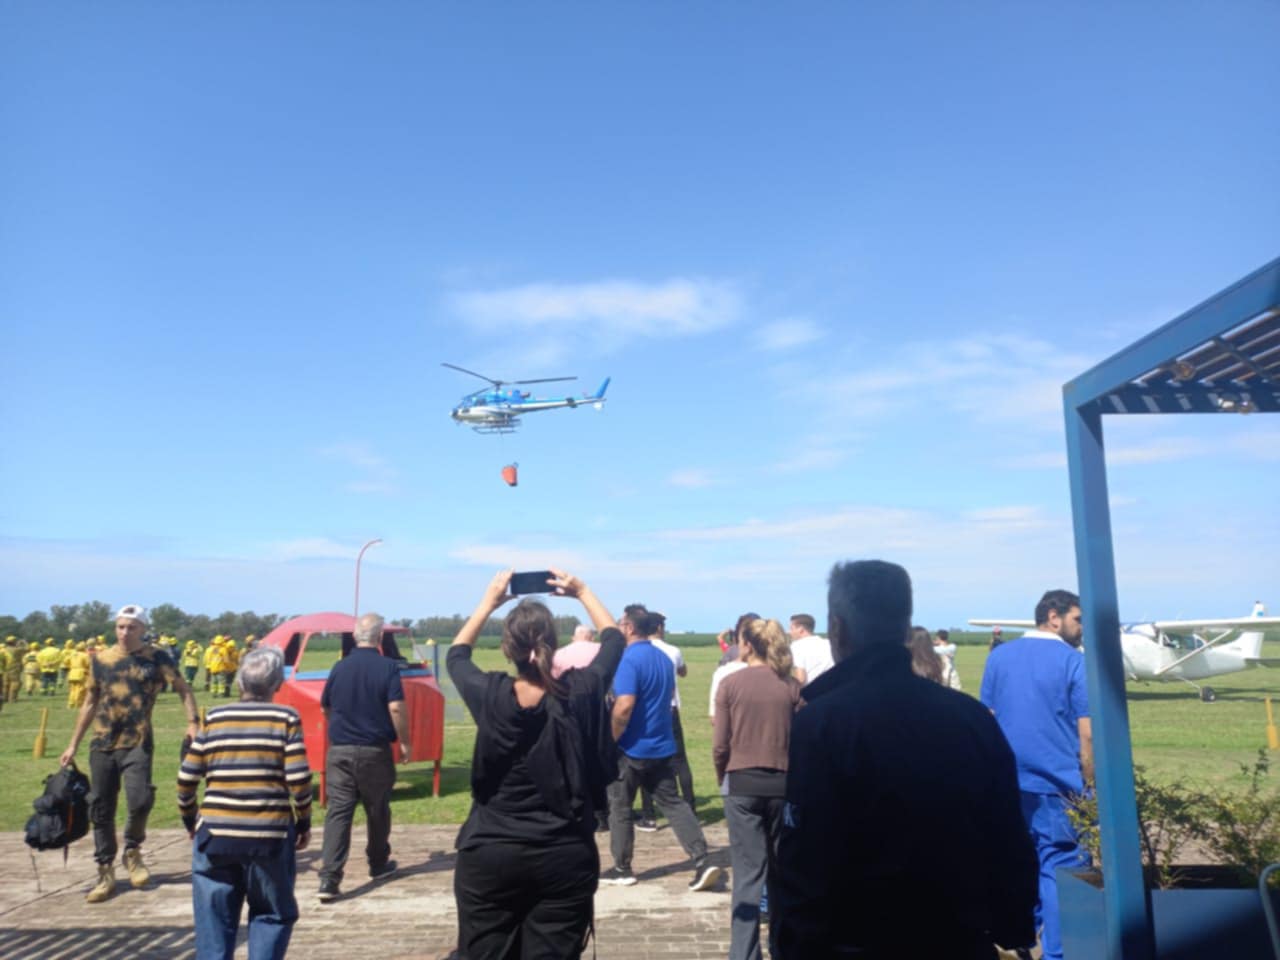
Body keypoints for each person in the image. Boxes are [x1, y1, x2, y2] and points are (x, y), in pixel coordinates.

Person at [774, 560, 1037, 958]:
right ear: (905, 626)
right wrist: (1013, 922)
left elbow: (807, 856)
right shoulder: (970, 718)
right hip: (958, 939)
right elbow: (1007, 832)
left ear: (837, 628)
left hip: (856, 941)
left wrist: (794, 943)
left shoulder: (823, 722)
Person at [448, 568, 621, 960]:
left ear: (506, 648)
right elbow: (614, 640)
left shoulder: (488, 694)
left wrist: (489, 603)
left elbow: (457, 655)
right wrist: (582, 591)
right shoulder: (580, 692)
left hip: (490, 852)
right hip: (564, 853)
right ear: (554, 645)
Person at [178, 646, 313, 960]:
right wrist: (303, 821)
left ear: (239, 681)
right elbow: (298, 779)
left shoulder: (215, 717)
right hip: (269, 835)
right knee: (271, 914)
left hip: (215, 834)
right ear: (277, 684)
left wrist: (190, 819)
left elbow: (186, 778)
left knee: (213, 922)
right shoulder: (285, 718)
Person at [60, 604, 201, 903]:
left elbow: (183, 688)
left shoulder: (156, 657)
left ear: (142, 629)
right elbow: (89, 701)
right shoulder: (101, 659)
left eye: (131, 627)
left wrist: (193, 723)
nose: (125, 632)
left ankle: (133, 850)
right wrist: (72, 744)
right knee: (101, 807)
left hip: (138, 741)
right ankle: (105, 869)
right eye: (121, 627)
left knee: (139, 800)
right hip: (102, 743)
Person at [980, 589, 1092, 960]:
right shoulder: (1074, 662)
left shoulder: (1000, 657)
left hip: (1008, 782)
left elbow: (988, 718)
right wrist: (1090, 779)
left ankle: (1021, 940)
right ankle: (1058, 952)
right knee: (1062, 867)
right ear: (1054, 617)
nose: (1082, 627)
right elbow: (1088, 732)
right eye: (1078, 619)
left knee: (1019, 863)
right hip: (1060, 785)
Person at [602, 605, 722, 891]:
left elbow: (624, 706)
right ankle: (701, 858)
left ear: (630, 627)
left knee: (620, 806)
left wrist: (610, 739)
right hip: (661, 744)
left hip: (631, 747)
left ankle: (622, 867)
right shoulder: (664, 658)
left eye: (621, 624)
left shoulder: (628, 659)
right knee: (674, 804)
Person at [714, 618, 802, 960]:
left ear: (747, 644)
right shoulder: (791, 686)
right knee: (781, 872)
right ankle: (783, 946)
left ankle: (744, 953)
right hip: (783, 783)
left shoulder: (730, 683)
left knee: (748, 874)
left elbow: (720, 744)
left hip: (741, 782)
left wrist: (723, 774)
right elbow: (803, 739)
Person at [316, 612, 409, 902]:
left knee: (338, 813)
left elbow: (325, 706)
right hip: (374, 750)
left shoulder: (339, 666)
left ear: (356, 637)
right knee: (377, 808)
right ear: (380, 637)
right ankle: (378, 864)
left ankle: (329, 878)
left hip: (340, 750)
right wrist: (405, 742)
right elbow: (396, 707)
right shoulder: (388, 667)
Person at [636, 608, 696, 828]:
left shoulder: (639, 651)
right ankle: (690, 807)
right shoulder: (673, 650)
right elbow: (683, 672)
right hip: (670, 709)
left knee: (645, 760)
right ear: (660, 628)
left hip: (647, 711)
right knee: (680, 761)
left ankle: (648, 814)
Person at [910, 625, 961, 690]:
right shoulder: (952, 646)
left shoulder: (937, 649)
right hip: (951, 672)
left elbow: (931, 649)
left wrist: (929, 644)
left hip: (944, 672)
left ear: (938, 638)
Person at [787, 614, 833, 685]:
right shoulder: (828, 643)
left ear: (801, 629)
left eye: (791, 628)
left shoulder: (797, 646)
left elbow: (801, 679)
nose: (789, 632)